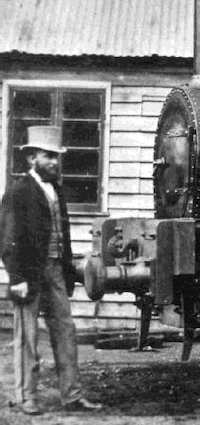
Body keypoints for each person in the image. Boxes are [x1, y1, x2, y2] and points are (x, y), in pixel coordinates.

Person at [0, 126, 103, 415]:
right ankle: (26, 397)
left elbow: (62, 233)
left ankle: (72, 395)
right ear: (31, 158)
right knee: (27, 338)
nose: (55, 163)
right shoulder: (18, 192)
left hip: (57, 271)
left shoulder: (56, 189)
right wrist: (17, 278)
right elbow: (7, 238)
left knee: (65, 332)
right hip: (29, 274)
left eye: (57, 157)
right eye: (48, 157)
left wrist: (67, 267)